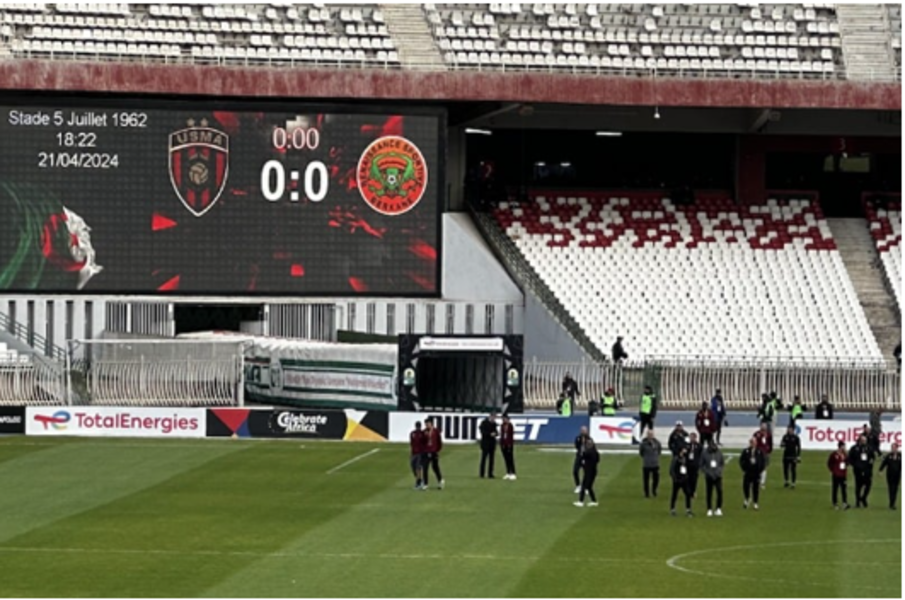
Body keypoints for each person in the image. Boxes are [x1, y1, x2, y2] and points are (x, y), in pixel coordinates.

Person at [849, 434, 878, 508]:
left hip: (867, 470)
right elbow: (850, 458)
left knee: (868, 485)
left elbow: (873, 457)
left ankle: (863, 498)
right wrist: (855, 465)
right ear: (860, 440)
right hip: (858, 470)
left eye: (865, 440)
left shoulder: (869, 448)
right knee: (858, 486)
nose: (864, 441)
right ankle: (857, 502)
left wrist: (871, 462)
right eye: (862, 440)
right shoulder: (854, 448)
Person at [740, 437, 765, 510]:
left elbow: (763, 462)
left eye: (753, 442)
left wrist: (760, 470)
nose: (752, 443)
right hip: (748, 472)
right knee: (745, 486)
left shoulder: (759, 451)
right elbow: (741, 460)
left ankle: (755, 502)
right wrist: (744, 468)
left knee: (755, 488)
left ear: (756, 443)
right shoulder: (746, 451)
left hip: (756, 473)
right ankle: (747, 498)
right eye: (751, 442)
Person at [701, 440, 725, 517]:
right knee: (709, 493)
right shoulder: (704, 453)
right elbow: (702, 465)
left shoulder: (719, 453)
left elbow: (722, 463)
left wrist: (719, 471)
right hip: (709, 476)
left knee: (719, 491)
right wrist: (707, 472)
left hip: (718, 476)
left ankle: (718, 508)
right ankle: (709, 509)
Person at [574, 437, 600, 507]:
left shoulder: (589, 453)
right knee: (589, 487)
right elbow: (598, 460)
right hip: (593, 471)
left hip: (589, 472)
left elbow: (582, 456)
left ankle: (580, 501)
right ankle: (594, 501)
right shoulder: (595, 452)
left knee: (584, 486)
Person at [669, 446, 694, 517]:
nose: (685, 450)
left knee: (688, 494)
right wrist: (675, 478)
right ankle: (672, 509)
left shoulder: (685, 458)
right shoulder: (676, 459)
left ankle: (688, 509)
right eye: (684, 449)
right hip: (677, 479)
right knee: (674, 494)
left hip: (684, 479)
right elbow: (672, 470)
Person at [827, 441, 851, 510]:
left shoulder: (845, 454)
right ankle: (835, 503)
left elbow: (848, 462)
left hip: (843, 474)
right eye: (843, 446)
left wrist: (846, 462)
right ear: (840, 446)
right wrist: (833, 470)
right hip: (836, 474)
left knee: (844, 489)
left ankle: (844, 503)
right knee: (835, 489)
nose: (844, 447)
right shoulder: (834, 454)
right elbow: (829, 463)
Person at [422, 418, 444, 490]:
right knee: (425, 468)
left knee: (435, 467)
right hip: (426, 452)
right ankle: (425, 484)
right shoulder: (424, 432)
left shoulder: (436, 431)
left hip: (434, 452)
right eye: (426, 424)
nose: (427, 425)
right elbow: (422, 442)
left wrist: (438, 450)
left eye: (428, 424)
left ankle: (440, 480)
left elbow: (439, 441)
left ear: (431, 424)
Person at [639, 428, 662, 498]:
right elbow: (641, 452)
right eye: (649, 434)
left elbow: (659, 451)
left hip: (655, 463)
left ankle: (654, 490)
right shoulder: (644, 443)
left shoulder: (657, 443)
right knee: (646, 480)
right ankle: (647, 493)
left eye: (651, 434)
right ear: (647, 435)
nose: (650, 436)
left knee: (656, 479)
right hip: (647, 464)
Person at [879, 442, 901, 510]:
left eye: (895, 448)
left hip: (897, 475)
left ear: (897, 448)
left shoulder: (900, 456)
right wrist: (880, 470)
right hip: (890, 475)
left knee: (895, 489)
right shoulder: (889, 456)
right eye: (892, 448)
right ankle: (892, 503)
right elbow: (884, 463)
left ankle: (893, 502)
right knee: (891, 489)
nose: (893, 449)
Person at [780, 425, 801, 489]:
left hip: (793, 455)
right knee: (785, 469)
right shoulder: (785, 436)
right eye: (789, 429)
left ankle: (793, 483)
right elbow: (781, 445)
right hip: (786, 455)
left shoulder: (796, 437)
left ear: (793, 430)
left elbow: (799, 447)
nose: (790, 430)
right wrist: (782, 444)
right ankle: (786, 481)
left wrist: (798, 456)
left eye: (791, 429)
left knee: (793, 470)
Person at [753, 422, 773, 489]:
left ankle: (762, 483)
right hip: (757, 453)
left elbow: (770, 444)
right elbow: (753, 442)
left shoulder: (768, 435)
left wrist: (769, 451)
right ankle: (757, 481)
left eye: (765, 426)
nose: (764, 427)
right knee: (757, 467)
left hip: (765, 453)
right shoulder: (756, 434)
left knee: (764, 468)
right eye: (762, 426)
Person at [479, 413, 498, 479]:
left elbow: (497, 432)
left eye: (495, 417)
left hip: (492, 444)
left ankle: (490, 473)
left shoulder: (494, 424)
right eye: (493, 417)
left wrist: (495, 434)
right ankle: (482, 473)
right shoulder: (484, 423)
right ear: (490, 416)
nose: (494, 418)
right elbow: (482, 432)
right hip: (485, 443)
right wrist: (490, 434)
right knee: (483, 459)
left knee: (491, 459)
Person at [572, 425, 590, 493]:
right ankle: (578, 486)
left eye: (584, 430)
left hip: (587, 458)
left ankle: (585, 487)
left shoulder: (589, 439)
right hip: (579, 457)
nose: (583, 432)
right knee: (575, 471)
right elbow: (576, 446)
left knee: (587, 473)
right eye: (582, 430)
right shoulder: (578, 438)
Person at [409, 421, 426, 490]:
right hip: (414, 453)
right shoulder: (412, 434)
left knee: (418, 467)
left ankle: (418, 482)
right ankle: (419, 480)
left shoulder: (422, 434)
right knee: (413, 467)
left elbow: (425, 443)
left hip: (420, 453)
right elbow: (412, 444)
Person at [686, 432, 703, 499]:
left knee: (694, 479)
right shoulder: (687, 445)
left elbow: (701, 455)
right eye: (690, 437)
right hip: (688, 464)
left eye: (693, 437)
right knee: (688, 479)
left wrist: (700, 463)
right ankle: (689, 492)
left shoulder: (699, 446)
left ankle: (693, 491)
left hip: (695, 465)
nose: (691, 439)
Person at [500, 414, 517, 480]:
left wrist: (510, 444)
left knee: (510, 458)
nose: (504, 420)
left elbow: (511, 436)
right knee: (506, 459)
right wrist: (502, 444)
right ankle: (508, 472)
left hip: (509, 444)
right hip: (503, 444)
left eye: (505, 419)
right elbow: (502, 435)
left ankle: (513, 472)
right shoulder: (502, 426)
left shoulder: (510, 426)